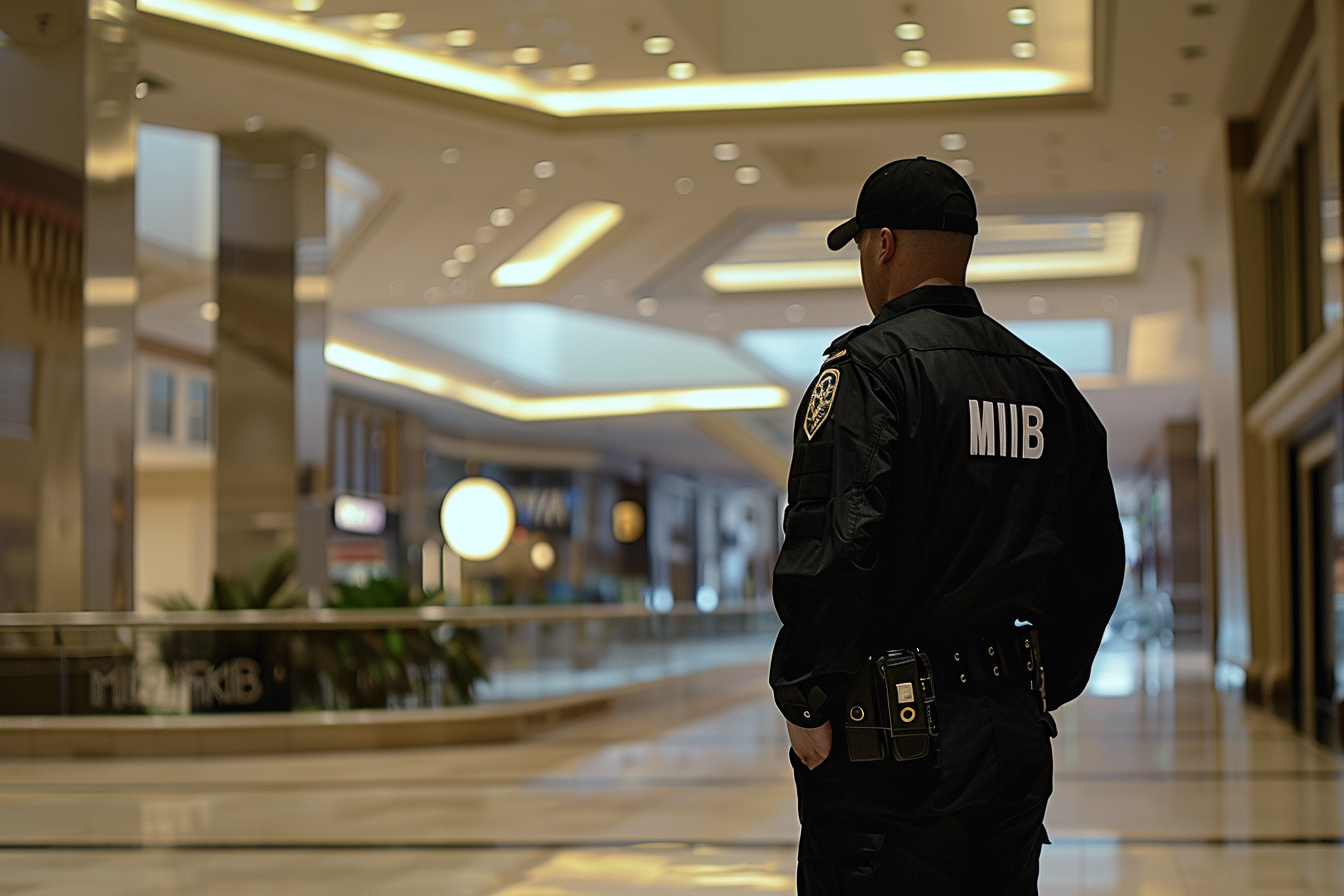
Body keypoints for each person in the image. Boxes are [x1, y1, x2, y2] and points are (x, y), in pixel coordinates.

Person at [770, 157, 1125, 895]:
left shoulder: (870, 372)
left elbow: (836, 539)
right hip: (1011, 740)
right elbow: (1095, 562)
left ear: (884, 245)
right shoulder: (1046, 385)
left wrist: (806, 694)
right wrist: (1038, 685)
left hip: (891, 747)